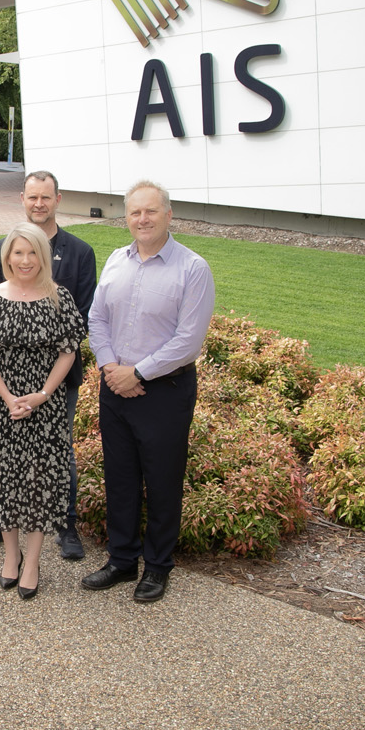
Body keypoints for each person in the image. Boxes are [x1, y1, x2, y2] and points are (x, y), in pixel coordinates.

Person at [82, 180, 215, 603]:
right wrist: (109, 367)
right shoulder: (116, 261)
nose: (142, 219)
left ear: (169, 214)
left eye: (151, 211)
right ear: (127, 215)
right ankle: (121, 560)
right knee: (119, 479)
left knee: (162, 481)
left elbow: (188, 341)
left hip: (165, 392)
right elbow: (96, 318)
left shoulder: (193, 269)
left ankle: (157, 567)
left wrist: (137, 372)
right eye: (135, 211)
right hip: (114, 386)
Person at [0, 171, 97, 560]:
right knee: (4, 461)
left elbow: (82, 319)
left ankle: (65, 526)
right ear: (22, 199)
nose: (38, 203)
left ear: (57, 199)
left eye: (46, 197)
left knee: (53, 458)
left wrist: (43, 391)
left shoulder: (80, 252)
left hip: (55, 385)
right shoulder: (1, 253)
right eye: (32, 197)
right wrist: (8, 393)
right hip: (4, 388)